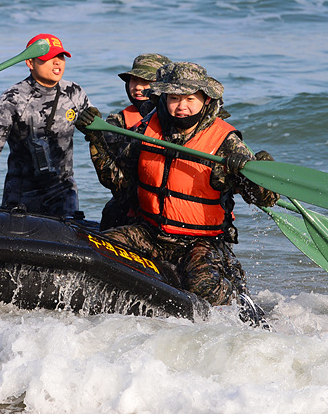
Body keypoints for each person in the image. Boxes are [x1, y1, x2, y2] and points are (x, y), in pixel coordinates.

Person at [75, 61, 279, 314]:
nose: (181, 107)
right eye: (174, 98)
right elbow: (118, 183)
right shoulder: (147, 129)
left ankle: (245, 307)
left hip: (200, 241)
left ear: (206, 99)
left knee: (202, 286)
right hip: (151, 232)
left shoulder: (226, 142)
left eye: (190, 98)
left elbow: (266, 198)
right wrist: (94, 139)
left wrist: (255, 172)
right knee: (96, 251)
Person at [0, 33, 94, 216]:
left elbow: (97, 134)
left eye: (60, 57)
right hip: (21, 192)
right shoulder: (12, 99)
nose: (57, 62)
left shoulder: (74, 93)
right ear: (30, 63)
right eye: (49, 58)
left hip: (63, 190)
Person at [99, 53, 171, 230]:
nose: (138, 87)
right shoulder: (117, 123)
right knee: (112, 210)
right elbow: (114, 177)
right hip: (136, 204)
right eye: (133, 81)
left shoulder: (184, 121)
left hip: (175, 206)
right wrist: (95, 138)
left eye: (146, 82)